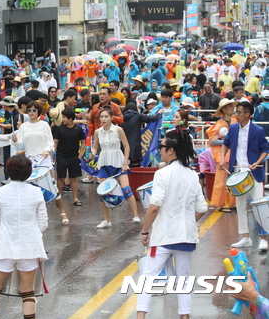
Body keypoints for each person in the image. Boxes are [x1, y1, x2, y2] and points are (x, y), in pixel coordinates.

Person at [137, 128, 207, 319]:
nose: (159, 149)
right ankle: (184, 317)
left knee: (148, 277)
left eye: (162, 146)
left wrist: (144, 231)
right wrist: (187, 222)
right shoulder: (193, 175)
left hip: (164, 236)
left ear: (171, 150)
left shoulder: (162, 173)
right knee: (183, 279)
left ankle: (140, 317)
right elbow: (202, 207)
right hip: (186, 237)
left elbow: (154, 206)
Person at [0, 155, 48, 319]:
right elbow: (43, 224)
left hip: (5, 246)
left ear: (8, 171)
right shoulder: (37, 192)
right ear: (29, 172)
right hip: (30, 247)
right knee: (27, 291)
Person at [220, 101, 269, 250]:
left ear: (247, 114)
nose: (236, 114)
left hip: (253, 172)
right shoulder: (233, 128)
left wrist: (257, 162)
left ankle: (263, 238)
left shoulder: (258, 130)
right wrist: (223, 159)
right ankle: (245, 237)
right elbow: (225, 143)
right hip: (237, 172)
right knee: (240, 205)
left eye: (239, 112)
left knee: (258, 205)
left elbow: (265, 150)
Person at [13, 101, 69, 225]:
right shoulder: (23, 126)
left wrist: (46, 151)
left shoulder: (44, 125)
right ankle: (32, 216)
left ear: (39, 112)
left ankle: (62, 212)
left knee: (52, 186)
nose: (31, 112)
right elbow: (19, 144)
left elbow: (50, 142)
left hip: (43, 159)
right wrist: (15, 139)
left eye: (34, 110)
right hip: (29, 160)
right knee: (29, 188)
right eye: (29, 110)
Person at [90, 107, 140, 228]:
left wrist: (124, 163)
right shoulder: (98, 132)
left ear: (112, 117)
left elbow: (127, 147)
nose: (104, 119)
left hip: (118, 162)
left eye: (106, 116)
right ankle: (106, 220)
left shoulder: (118, 130)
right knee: (102, 193)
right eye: (102, 117)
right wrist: (92, 152)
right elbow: (95, 146)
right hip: (104, 164)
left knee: (127, 190)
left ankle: (136, 216)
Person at [205, 99, 238, 212]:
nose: (232, 108)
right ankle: (223, 204)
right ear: (224, 109)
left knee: (233, 178)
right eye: (229, 106)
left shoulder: (235, 121)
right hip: (223, 155)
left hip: (234, 154)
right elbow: (213, 141)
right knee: (222, 180)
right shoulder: (218, 124)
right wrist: (227, 142)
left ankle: (232, 203)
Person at [54, 108, 86, 206]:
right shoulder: (59, 129)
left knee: (73, 179)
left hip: (74, 157)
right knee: (61, 178)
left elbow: (83, 141)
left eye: (64, 117)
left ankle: (75, 198)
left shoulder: (78, 129)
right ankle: (58, 198)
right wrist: (54, 156)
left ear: (71, 118)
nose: (63, 119)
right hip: (61, 156)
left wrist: (80, 154)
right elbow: (55, 142)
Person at [121, 102, 163, 167]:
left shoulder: (121, 118)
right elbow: (151, 119)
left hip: (123, 147)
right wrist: (159, 113)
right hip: (134, 147)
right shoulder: (138, 116)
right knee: (135, 166)